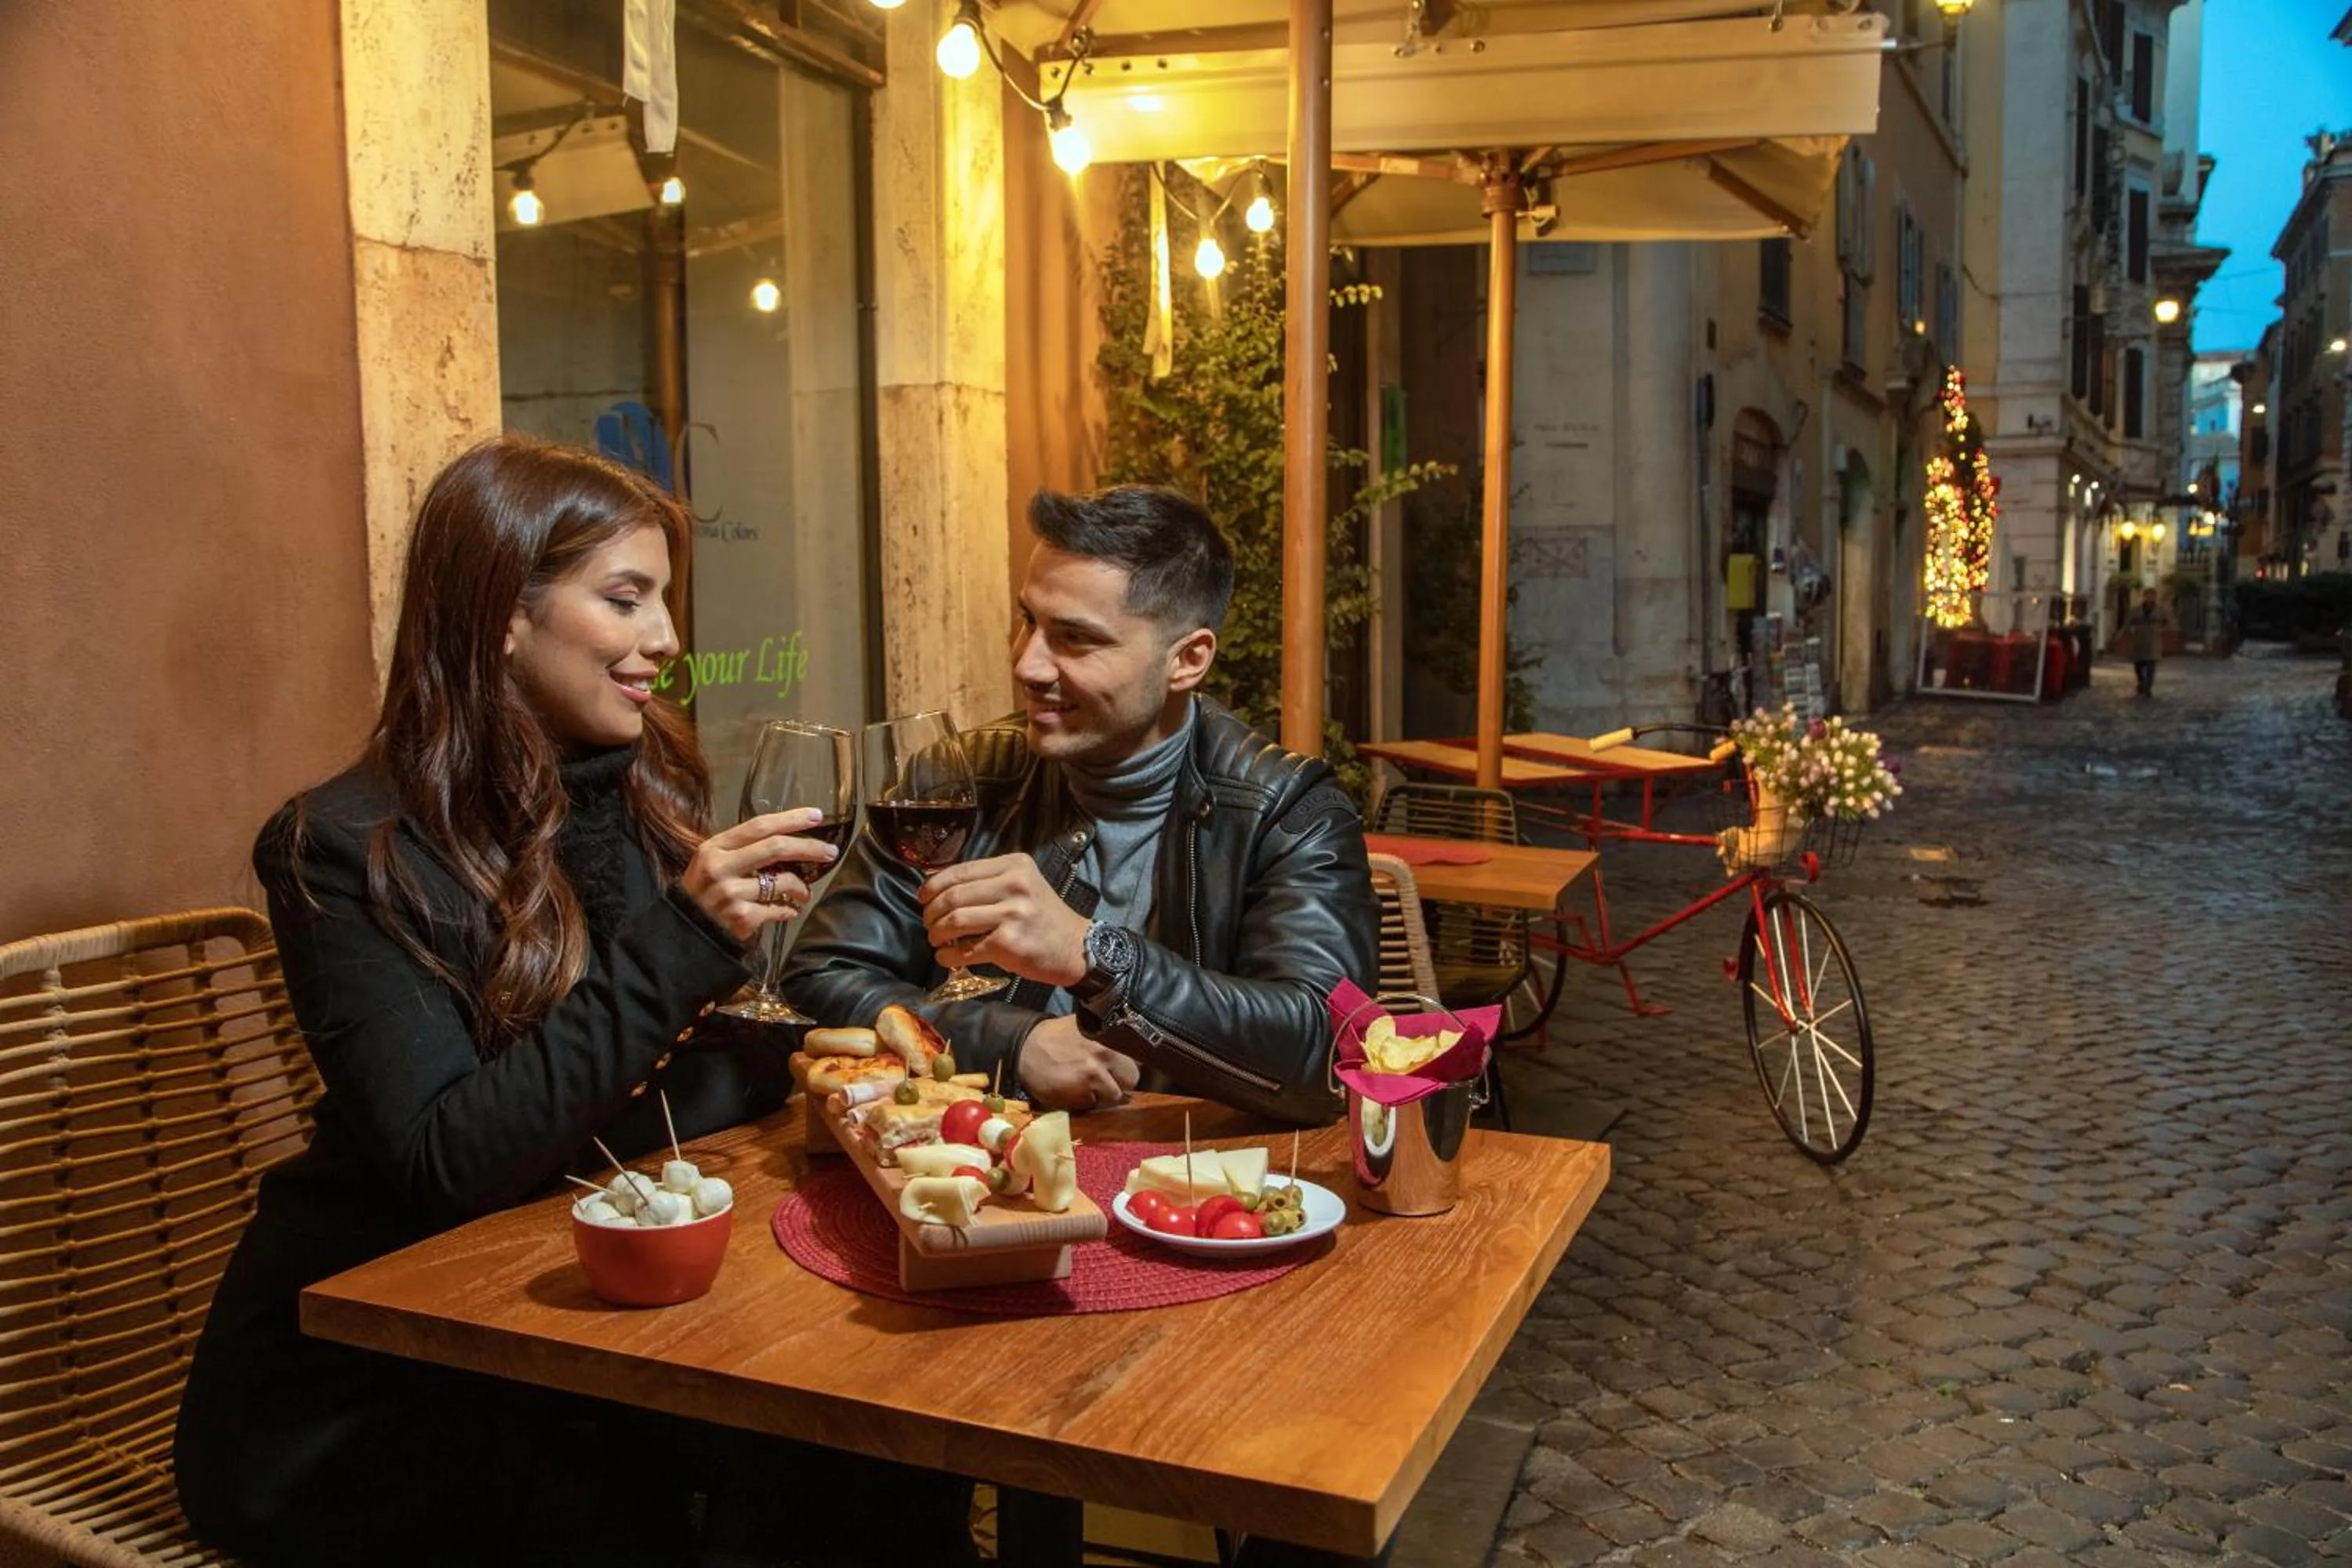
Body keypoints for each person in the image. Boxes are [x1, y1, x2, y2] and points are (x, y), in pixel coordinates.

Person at [173, 436, 977, 1568]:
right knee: (784, 1471)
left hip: (579, 1310)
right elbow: (453, 1162)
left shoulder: (642, 796)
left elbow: (665, 1090)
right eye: (626, 599)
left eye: (665, 603)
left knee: (878, 1437)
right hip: (372, 1392)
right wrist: (688, 944)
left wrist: (847, 1051)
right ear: (504, 613)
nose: (666, 642)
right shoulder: (342, 850)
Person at [783, 485, 1378, 1127]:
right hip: (976, 1182)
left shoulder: (1285, 810)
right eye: (1028, 621)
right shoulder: (962, 781)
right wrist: (1013, 1042)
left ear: (1188, 660)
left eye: (1075, 639)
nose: (1028, 663)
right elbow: (821, 979)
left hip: (1202, 1190)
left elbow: (1326, 1057)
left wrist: (1094, 955)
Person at [2126, 586, 2168, 695]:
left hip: (2154, 640)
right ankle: (2141, 682)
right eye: (2148, 595)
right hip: (2140, 639)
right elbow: (2128, 623)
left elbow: (2167, 622)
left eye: (2152, 596)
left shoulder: (2160, 610)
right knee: (2138, 665)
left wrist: (2160, 630)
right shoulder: (2136, 609)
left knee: (2151, 666)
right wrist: (2123, 634)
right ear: (2144, 597)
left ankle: (2148, 687)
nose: (2150, 598)